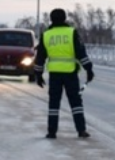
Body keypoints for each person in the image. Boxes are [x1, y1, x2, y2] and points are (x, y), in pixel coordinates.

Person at [33, 8, 94, 139]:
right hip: (70, 73)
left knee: (53, 103)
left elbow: (40, 57)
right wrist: (88, 69)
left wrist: (38, 74)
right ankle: (81, 130)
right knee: (76, 102)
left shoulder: (47, 35)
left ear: (51, 19)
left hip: (54, 74)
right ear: (65, 18)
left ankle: (51, 132)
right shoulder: (72, 33)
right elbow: (81, 53)